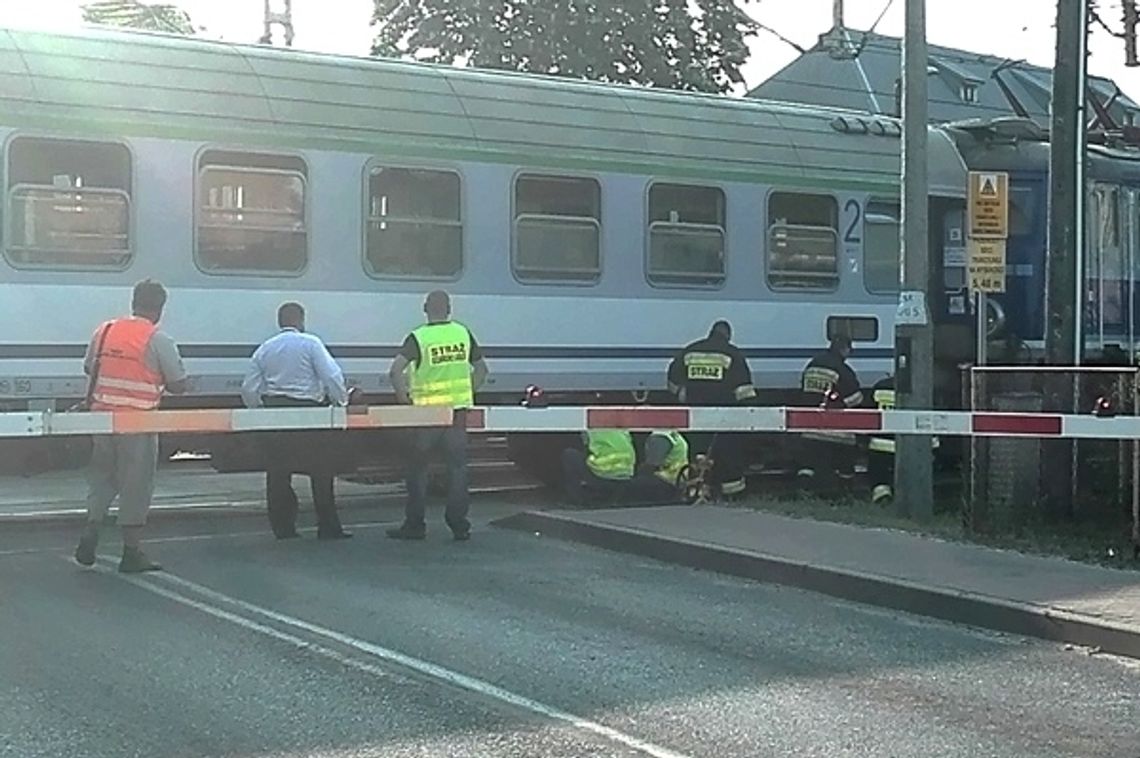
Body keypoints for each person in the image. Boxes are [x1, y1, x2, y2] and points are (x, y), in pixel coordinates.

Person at [74, 280, 189, 573]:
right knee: (136, 485)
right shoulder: (157, 338)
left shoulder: (105, 330)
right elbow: (178, 385)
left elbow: (89, 367)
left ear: (133, 302)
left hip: (102, 419)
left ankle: (91, 529)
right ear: (160, 308)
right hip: (138, 421)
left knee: (101, 478)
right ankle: (131, 551)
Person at [241, 302, 351, 541]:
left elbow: (249, 388)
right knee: (321, 470)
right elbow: (332, 376)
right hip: (308, 412)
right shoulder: (311, 343)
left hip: (276, 413)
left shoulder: (265, 348)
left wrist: (259, 409)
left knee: (278, 472)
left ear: (280, 321)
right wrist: (340, 402)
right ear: (301, 320)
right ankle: (328, 526)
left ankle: (283, 528)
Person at [387, 290, 488, 541]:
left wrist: (404, 398)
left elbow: (395, 371)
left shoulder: (419, 338)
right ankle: (459, 525)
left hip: (426, 416)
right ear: (449, 309)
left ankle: (415, 525)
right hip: (456, 413)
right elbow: (482, 370)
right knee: (457, 469)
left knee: (418, 468)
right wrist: (466, 392)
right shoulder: (463, 334)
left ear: (425, 308)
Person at [667, 320, 755, 498]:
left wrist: (682, 395)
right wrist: (746, 413)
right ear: (727, 336)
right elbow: (744, 391)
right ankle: (730, 494)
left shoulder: (690, 351)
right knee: (727, 455)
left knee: (696, 451)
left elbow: (672, 380)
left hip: (694, 414)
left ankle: (696, 488)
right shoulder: (732, 354)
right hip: (722, 415)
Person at [797, 335, 863, 480]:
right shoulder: (842, 369)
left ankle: (804, 490)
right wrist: (843, 405)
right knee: (842, 468)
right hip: (835, 431)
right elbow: (856, 397)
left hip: (809, 428)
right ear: (844, 349)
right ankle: (840, 491)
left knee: (809, 466)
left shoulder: (813, 364)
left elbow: (804, 390)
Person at [561, 429, 637, 505]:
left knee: (569, 455)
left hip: (602, 474)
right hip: (626, 474)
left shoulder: (589, 425)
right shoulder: (621, 425)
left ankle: (575, 500)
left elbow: (586, 447)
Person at [631, 430, 689, 505]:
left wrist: (636, 472)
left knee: (631, 485)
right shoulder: (673, 435)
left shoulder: (660, 437)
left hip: (663, 480)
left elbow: (653, 464)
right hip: (678, 479)